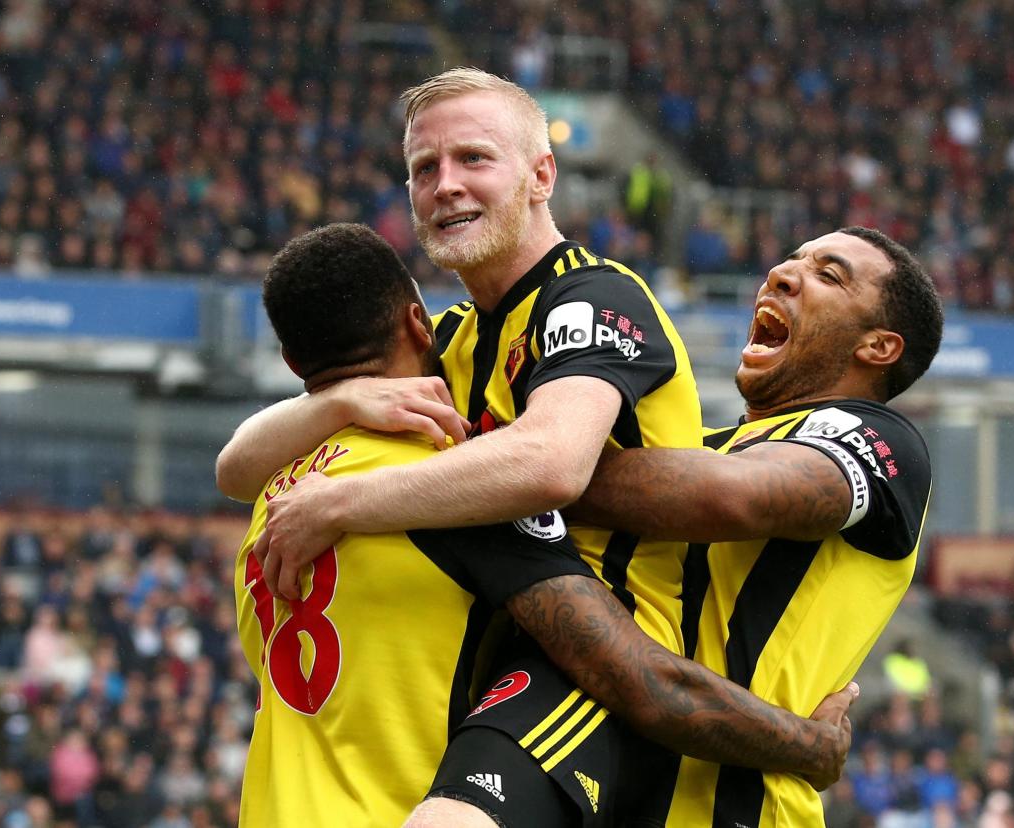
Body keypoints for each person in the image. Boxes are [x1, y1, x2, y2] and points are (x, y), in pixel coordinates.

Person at [235, 223, 856, 827]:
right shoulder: (448, 489)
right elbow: (631, 675)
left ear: (293, 364)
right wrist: (806, 745)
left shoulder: (278, 501)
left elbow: (229, 468)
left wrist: (338, 403)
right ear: (416, 322)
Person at [216, 67, 710, 823]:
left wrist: (340, 500)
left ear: (542, 175)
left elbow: (551, 461)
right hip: (509, 647)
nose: (445, 184)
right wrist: (338, 401)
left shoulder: (594, 298)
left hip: (604, 656)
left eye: (473, 159)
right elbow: (235, 467)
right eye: (424, 169)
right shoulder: (449, 339)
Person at [572, 226, 944, 826]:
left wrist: (540, 466)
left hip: (735, 808)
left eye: (828, 275)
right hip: (605, 792)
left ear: (878, 347)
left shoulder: (878, 439)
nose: (780, 274)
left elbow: (738, 498)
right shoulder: (699, 448)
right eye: (790, 261)